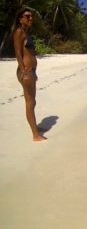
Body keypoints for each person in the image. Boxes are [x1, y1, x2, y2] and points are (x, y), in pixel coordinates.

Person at [13, 8, 47, 141]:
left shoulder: (27, 33)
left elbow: (31, 53)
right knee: (30, 102)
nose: (30, 18)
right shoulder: (18, 32)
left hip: (31, 71)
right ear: (20, 19)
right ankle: (35, 135)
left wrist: (34, 72)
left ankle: (36, 129)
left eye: (31, 16)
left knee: (33, 102)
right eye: (27, 16)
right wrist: (23, 71)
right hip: (26, 71)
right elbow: (17, 53)